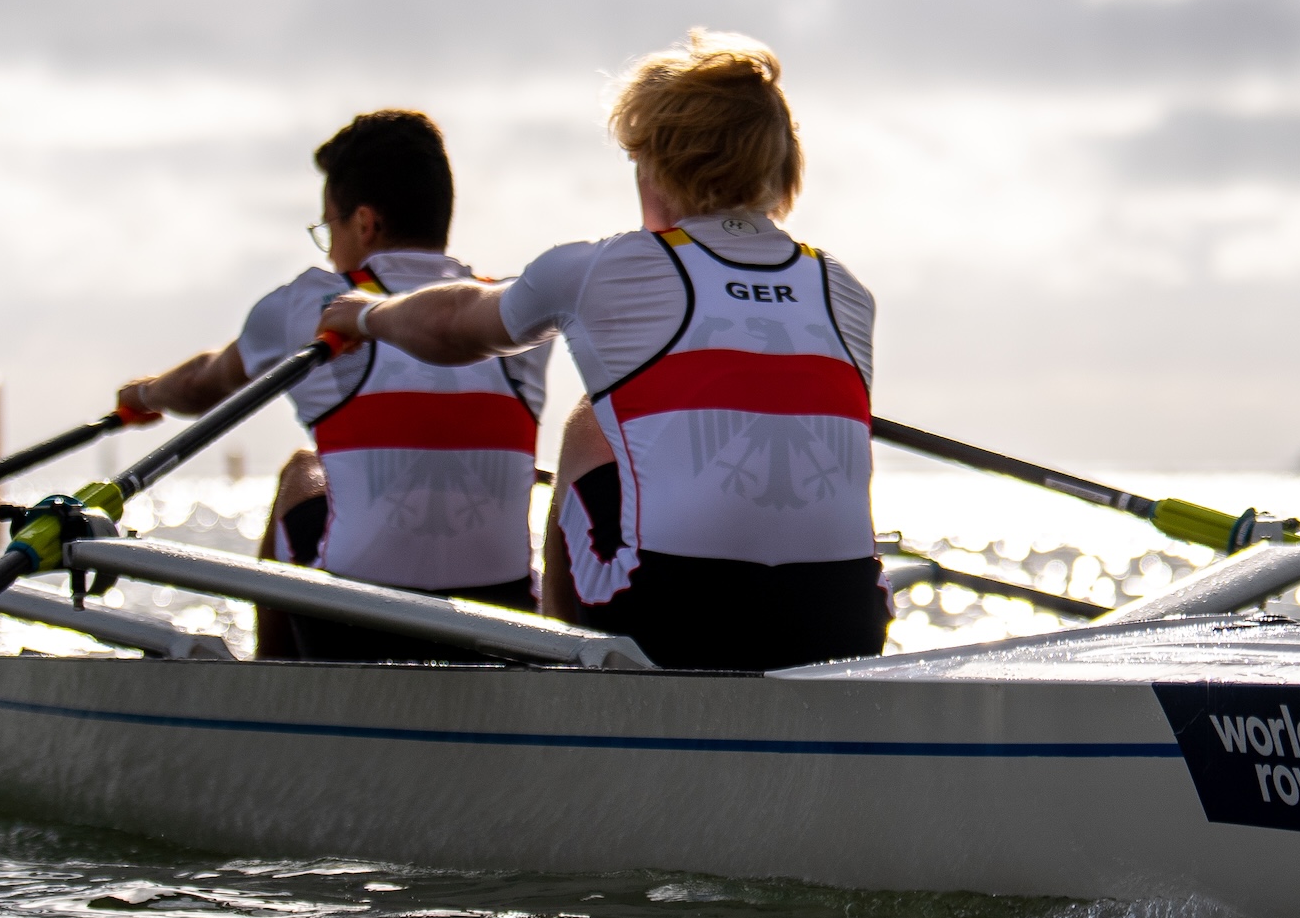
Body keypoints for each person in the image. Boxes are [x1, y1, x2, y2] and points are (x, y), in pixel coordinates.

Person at [322, 33, 885, 672]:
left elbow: (452, 326)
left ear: (656, 163)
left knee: (590, 422)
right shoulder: (846, 290)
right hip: (847, 625)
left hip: (673, 622)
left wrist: (365, 315)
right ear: (781, 169)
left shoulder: (603, 269)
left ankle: (559, 675)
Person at [116, 110, 549, 660]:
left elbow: (205, 385)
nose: (328, 249)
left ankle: (271, 691)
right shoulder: (513, 311)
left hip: (354, 623)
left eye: (329, 228)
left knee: (303, 470)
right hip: (506, 623)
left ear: (364, 222)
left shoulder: (309, 306)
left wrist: (145, 395)